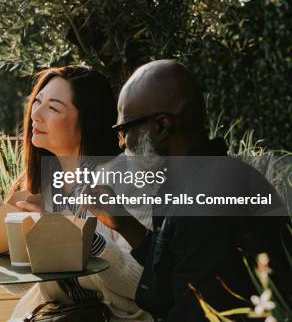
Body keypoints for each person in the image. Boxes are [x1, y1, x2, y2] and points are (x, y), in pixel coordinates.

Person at [84, 59, 290, 321]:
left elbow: (194, 311)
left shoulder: (208, 201)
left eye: (125, 130)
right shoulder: (198, 181)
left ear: (161, 126)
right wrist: (124, 224)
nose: (124, 145)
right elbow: (173, 279)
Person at [0, 65, 154, 321]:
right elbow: (17, 284)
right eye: (38, 101)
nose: (36, 114)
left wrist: (81, 239)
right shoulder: (41, 186)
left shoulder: (128, 178)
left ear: (87, 122)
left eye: (53, 108)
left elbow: (142, 286)